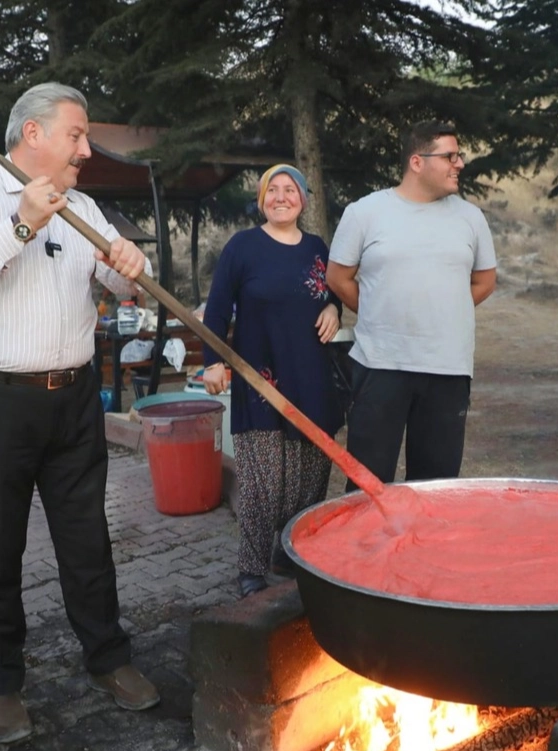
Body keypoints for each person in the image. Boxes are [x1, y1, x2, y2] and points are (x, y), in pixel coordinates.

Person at [0, 82, 159, 744]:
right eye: (76, 135)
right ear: (33, 133)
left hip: (75, 398)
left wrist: (130, 264)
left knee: (87, 537)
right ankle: (0, 683)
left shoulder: (83, 206)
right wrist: (21, 224)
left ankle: (108, 657)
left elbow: (122, 281)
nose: (85, 149)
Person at [326, 121, 497, 486]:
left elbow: (485, 281)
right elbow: (338, 277)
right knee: (368, 487)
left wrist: (445, 309)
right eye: (450, 156)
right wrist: (378, 310)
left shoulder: (470, 217)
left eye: (459, 156)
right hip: (380, 365)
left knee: (437, 487)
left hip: (448, 368)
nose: (460, 164)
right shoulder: (365, 212)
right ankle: (369, 530)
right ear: (417, 162)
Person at [200, 165, 343, 598]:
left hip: (311, 379)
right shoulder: (243, 247)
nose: (281, 197)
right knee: (264, 483)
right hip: (260, 381)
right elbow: (217, 310)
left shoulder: (317, 248)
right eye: (272, 190)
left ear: (303, 199)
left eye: (290, 190)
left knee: (309, 481)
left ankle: (289, 553)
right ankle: (251, 569)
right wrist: (213, 362)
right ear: (262, 199)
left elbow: (333, 291)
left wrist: (334, 308)